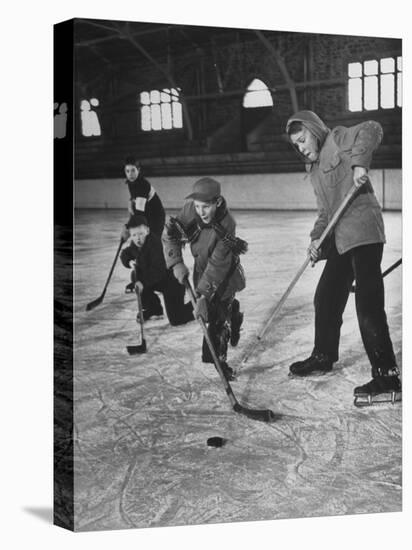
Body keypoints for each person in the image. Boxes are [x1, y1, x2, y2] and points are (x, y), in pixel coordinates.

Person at [285, 110, 401, 405]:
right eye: (296, 145)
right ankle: (323, 355)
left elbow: (372, 128)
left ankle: (387, 375)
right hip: (339, 239)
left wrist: (360, 164)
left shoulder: (337, 139)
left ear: (314, 129)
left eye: (303, 139)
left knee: (367, 302)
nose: (301, 147)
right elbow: (326, 213)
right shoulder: (314, 171)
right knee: (326, 296)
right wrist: (316, 240)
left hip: (363, 230)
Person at [162, 177, 246, 381]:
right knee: (211, 316)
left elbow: (218, 265)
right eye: (197, 206)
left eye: (206, 207)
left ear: (217, 203)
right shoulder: (190, 211)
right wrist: (176, 263)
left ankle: (222, 363)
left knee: (216, 323)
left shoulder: (227, 225)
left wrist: (202, 297)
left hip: (224, 276)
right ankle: (234, 312)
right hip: (202, 271)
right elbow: (169, 234)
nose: (200, 212)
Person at [120, 214, 194, 325]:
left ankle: (196, 305)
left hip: (172, 284)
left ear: (148, 231)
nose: (138, 238)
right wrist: (129, 262)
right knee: (135, 275)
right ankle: (154, 309)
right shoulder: (135, 245)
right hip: (157, 281)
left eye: (141, 233)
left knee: (177, 319)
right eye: (134, 235)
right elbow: (125, 253)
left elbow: (158, 272)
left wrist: (142, 283)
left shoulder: (155, 245)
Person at [122, 156, 166, 293]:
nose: (130, 174)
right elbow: (135, 202)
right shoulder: (131, 183)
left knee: (151, 246)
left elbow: (139, 212)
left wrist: (128, 227)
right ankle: (141, 279)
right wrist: (130, 203)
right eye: (127, 171)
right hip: (145, 216)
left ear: (139, 170)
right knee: (139, 246)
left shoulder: (142, 184)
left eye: (133, 170)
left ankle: (157, 280)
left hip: (155, 218)